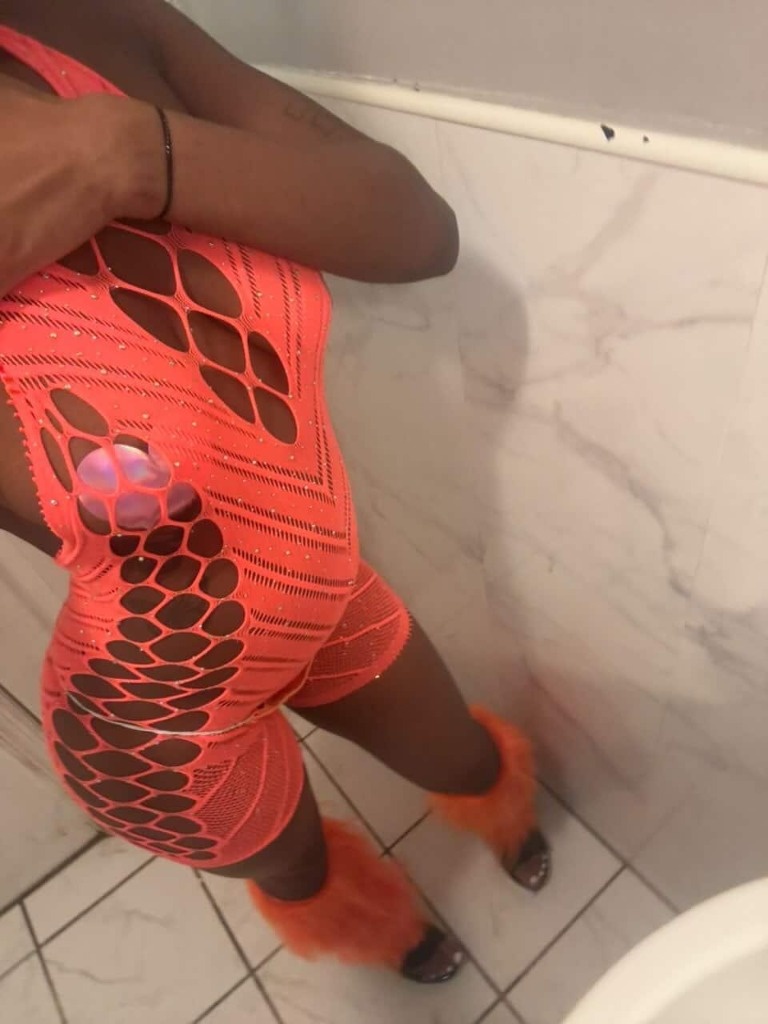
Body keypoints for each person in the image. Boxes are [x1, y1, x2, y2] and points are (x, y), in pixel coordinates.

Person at [0, 0, 550, 984]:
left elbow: (419, 230)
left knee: (463, 756)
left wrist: (123, 153)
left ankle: (502, 817)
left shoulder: (90, 19)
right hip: (158, 727)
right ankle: (387, 933)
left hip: (325, 590)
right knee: (300, 869)